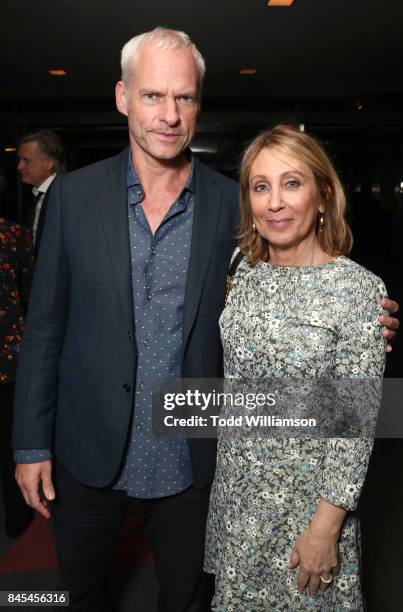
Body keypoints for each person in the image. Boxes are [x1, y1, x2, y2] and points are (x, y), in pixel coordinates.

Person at [12, 29, 398, 612]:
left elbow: (304, 287)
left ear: (198, 105)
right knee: (74, 595)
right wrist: (29, 443)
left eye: (185, 99)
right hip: (86, 447)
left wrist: (364, 316)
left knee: (189, 597)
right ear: (123, 97)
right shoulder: (72, 196)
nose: (169, 115)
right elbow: (43, 328)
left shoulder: (231, 205)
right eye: (153, 96)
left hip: (196, 456)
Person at [204, 125, 389, 611]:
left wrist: (325, 528)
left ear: (323, 195)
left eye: (292, 183)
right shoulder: (241, 269)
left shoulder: (359, 290)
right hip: (238, 504)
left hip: (308, 513)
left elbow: (354, 427)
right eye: (261, 187)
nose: (275, 202)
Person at [0, 217, 34, 537]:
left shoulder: (13, 234)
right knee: (10, 440)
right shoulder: (13, 233)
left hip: (9, 359)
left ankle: (18, 518)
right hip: (9, 356)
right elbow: (29, 290)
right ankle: (18, 520)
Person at [17, 129, 66, 250]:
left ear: (49, 164)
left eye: (27, 161)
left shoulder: (65, 197)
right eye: (20, 160)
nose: (19, 166)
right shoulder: (36, 196)